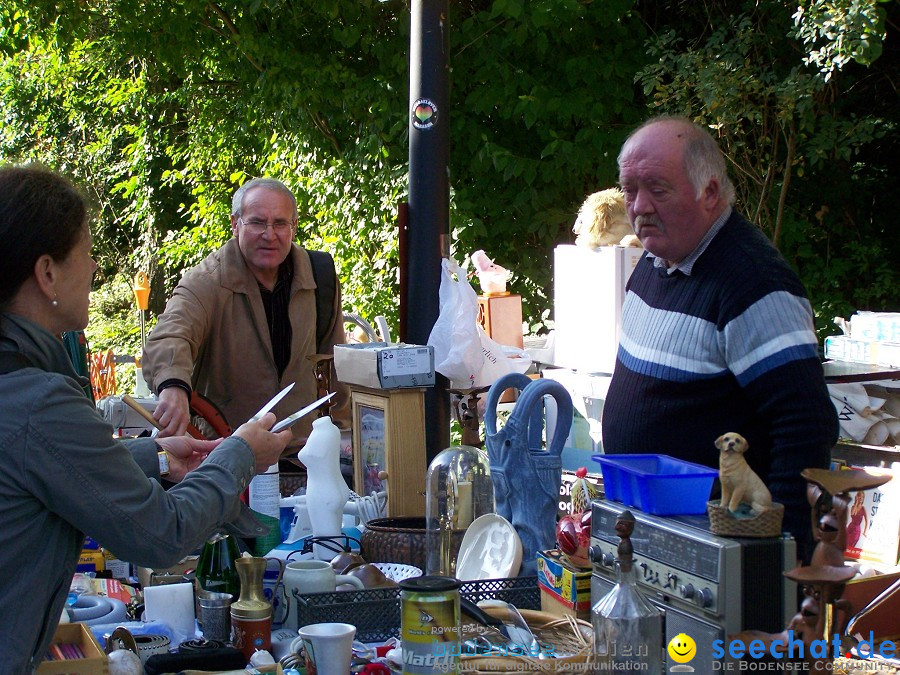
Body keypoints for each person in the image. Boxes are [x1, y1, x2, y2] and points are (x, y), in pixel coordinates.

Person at [0, 165, 294, 672]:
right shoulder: (38, 399)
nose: (94, 270)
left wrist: (157, 456)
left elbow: (52, 461)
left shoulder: (22, 382)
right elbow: (162, 535)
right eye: (87, 255)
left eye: (281, 223)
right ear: (47, 272)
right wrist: (240, 453)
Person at [600, 116, 839, 558]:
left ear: (709, 192)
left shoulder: (753, 283)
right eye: (630, 190)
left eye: (658, 188)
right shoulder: (655, 262)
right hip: (655, 534)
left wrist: (774, 558)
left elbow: (806, 426)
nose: (640, 206)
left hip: (721, 555)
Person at [142, 177, 349, 450]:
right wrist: (172, 385)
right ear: (235, 224)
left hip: (303, 455)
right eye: (257, 222)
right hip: (226, 456)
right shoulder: (208, 281)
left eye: (279, 223)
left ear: (294, 227)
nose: (269, 234)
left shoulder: (319, 277)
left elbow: (335, 362)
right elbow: (171, 334)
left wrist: (346, 431)